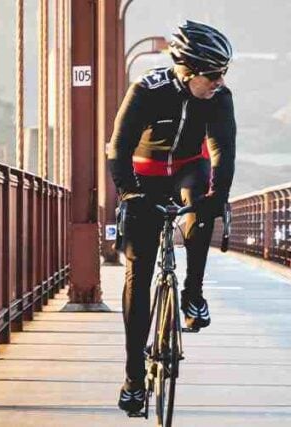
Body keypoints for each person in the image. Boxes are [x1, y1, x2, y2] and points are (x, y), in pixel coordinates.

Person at [108, 20, 236, 414]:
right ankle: (133, 377)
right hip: (144, 173)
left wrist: (219, 197)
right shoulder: (147, 91)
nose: (219, 81)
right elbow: (118, 148)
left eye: (224, 73)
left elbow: (223, 152)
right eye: (213, 74)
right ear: (188, 70)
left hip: (187, 168)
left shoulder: (219, 98)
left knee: (201, 210)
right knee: (139, 272)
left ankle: (193, 295)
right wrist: (130, 194)